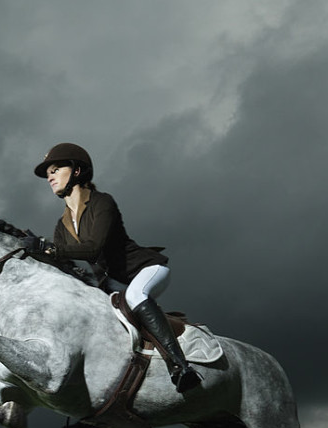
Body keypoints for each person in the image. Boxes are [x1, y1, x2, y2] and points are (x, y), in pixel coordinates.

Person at [19, 142, 201, 393]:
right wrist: (33, 252)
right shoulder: (62, 225)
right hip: (113, 284)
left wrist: (46, 246)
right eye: (48, 173)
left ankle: (180, 366)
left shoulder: (102, 203)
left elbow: (93, 248)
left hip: (144, 270)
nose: (50, 176)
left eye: (56, 169)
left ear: (77, 171)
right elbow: (61, 262)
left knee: (136, 296)